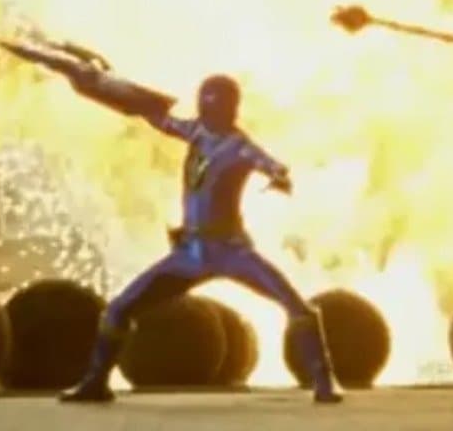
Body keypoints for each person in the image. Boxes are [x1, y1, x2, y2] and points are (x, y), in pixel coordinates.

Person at [57, 73, 343, 403]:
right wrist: (119, 95)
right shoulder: (195, 131)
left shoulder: (240, 147)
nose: (210, 116)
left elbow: (269, 164)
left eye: (215, 110)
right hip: (190, 253)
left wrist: (278, 175)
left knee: (298, 309)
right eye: (207, 110)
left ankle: (325, 383)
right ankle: (95, 382)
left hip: (232, 251)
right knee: (118, 310)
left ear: (230, 110)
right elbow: (160, 119)